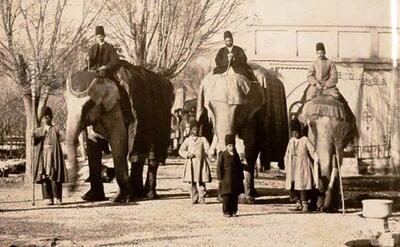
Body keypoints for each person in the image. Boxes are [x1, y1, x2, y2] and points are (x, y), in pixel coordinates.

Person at [33, 107, 68, 205]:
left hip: (54, 155)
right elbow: (32, 141)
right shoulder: (39, 130)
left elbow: (65, 136)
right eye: (45, 117)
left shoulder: (56, 129)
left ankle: (57, 197)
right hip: (43, 155)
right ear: (43, 119)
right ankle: (48, 198)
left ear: (51, 117)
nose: (47, 118)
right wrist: (35, 135)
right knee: (44, 175)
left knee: (55, 174)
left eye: (49, 116)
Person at [284, 119, 319, 212]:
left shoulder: (305, 140)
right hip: (293, 165)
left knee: (302, 184)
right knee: (294, 184)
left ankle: (305, 204)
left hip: (302, 165)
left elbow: (312, 150)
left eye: (296, 133)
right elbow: (287, 153)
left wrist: (316, 158)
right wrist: (286, 164)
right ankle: (298, 202)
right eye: (293, 133)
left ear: (299, 131)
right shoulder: (291, 141)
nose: (295, 135)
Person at [179, 120, 212, 204]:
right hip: (191, 164)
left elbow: (208, 150)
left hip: (200, 163)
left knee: (201, 182)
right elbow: (181, 150)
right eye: (193, 129)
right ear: (190, 130)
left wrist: (210, 155)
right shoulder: (188, 140)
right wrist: (187, 154)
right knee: (191, 182)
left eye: (196, 129)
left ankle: (202, 198)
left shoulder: (202, 139)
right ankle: (194, 197)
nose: (195, 131)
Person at [217, 134, 244, 217]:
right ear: (227, 146)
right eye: (229, 146)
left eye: (232, 146)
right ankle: (226, 211)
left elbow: (239, 167)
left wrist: (241, 177)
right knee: (227, 196)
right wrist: (219, 177)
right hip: (226, 178)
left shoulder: (236, 155)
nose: (231, 147)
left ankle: (233, 211)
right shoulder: (223, 155)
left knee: (234, 195)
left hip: (235, 179)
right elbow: (219, 166)